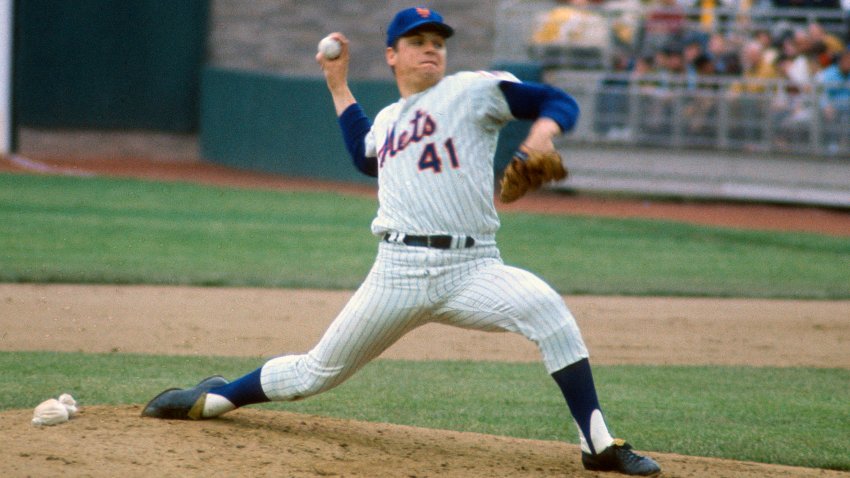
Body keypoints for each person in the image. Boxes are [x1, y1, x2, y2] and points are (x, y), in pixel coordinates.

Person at [140, 7, 661, 476]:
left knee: (550, 312)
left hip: (475, 267)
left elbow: (554, 98)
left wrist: (542, 134)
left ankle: (598, 445)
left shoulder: (473, 91)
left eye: (437, 40)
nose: (430, 47)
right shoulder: (389, 120)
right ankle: (215, 400)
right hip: (399, 271)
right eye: (417, 40)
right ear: (392, 55)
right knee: (314, 373)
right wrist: (337, 84)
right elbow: (364, 156)